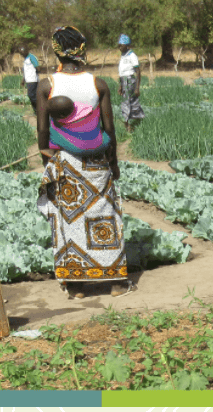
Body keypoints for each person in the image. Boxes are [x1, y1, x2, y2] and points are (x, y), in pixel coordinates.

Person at [36, 26, 132, 299]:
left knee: (69, 220)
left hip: (67, 163)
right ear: (82, 49)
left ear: (56, 51)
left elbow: (43, 131)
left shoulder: (47, 86)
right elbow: (109, 129)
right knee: (105, 216)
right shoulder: (97, 84)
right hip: (97, 162)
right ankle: (115, 283)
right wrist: (113, 164)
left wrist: (47, 160)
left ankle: (77, 286)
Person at [117, 35, 144, 132]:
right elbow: (122, 72)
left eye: (121, 45)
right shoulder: (123, 55)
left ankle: (127, 124)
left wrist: (137, 88)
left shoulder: (132, 55)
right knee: (132, 101)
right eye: (119, 45)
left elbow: (138, 72)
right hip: (124, 81)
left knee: (126, 102)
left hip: (130, 81)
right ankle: (139, 120)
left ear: (127, 45)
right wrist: (120, 85)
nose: (119, 47)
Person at [18, 45, 40, 114]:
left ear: (27, 50)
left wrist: (34, 74)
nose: (22, 54)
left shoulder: (31, 57)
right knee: (32, 96)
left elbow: (38, 68)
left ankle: (39, 110)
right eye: (21, 53)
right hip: (28, 80)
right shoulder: (26, 59)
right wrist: (23, 80)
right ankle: (36, 111)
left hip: (33, 80)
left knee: (31, 95)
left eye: (23, 52)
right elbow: (26, 71)